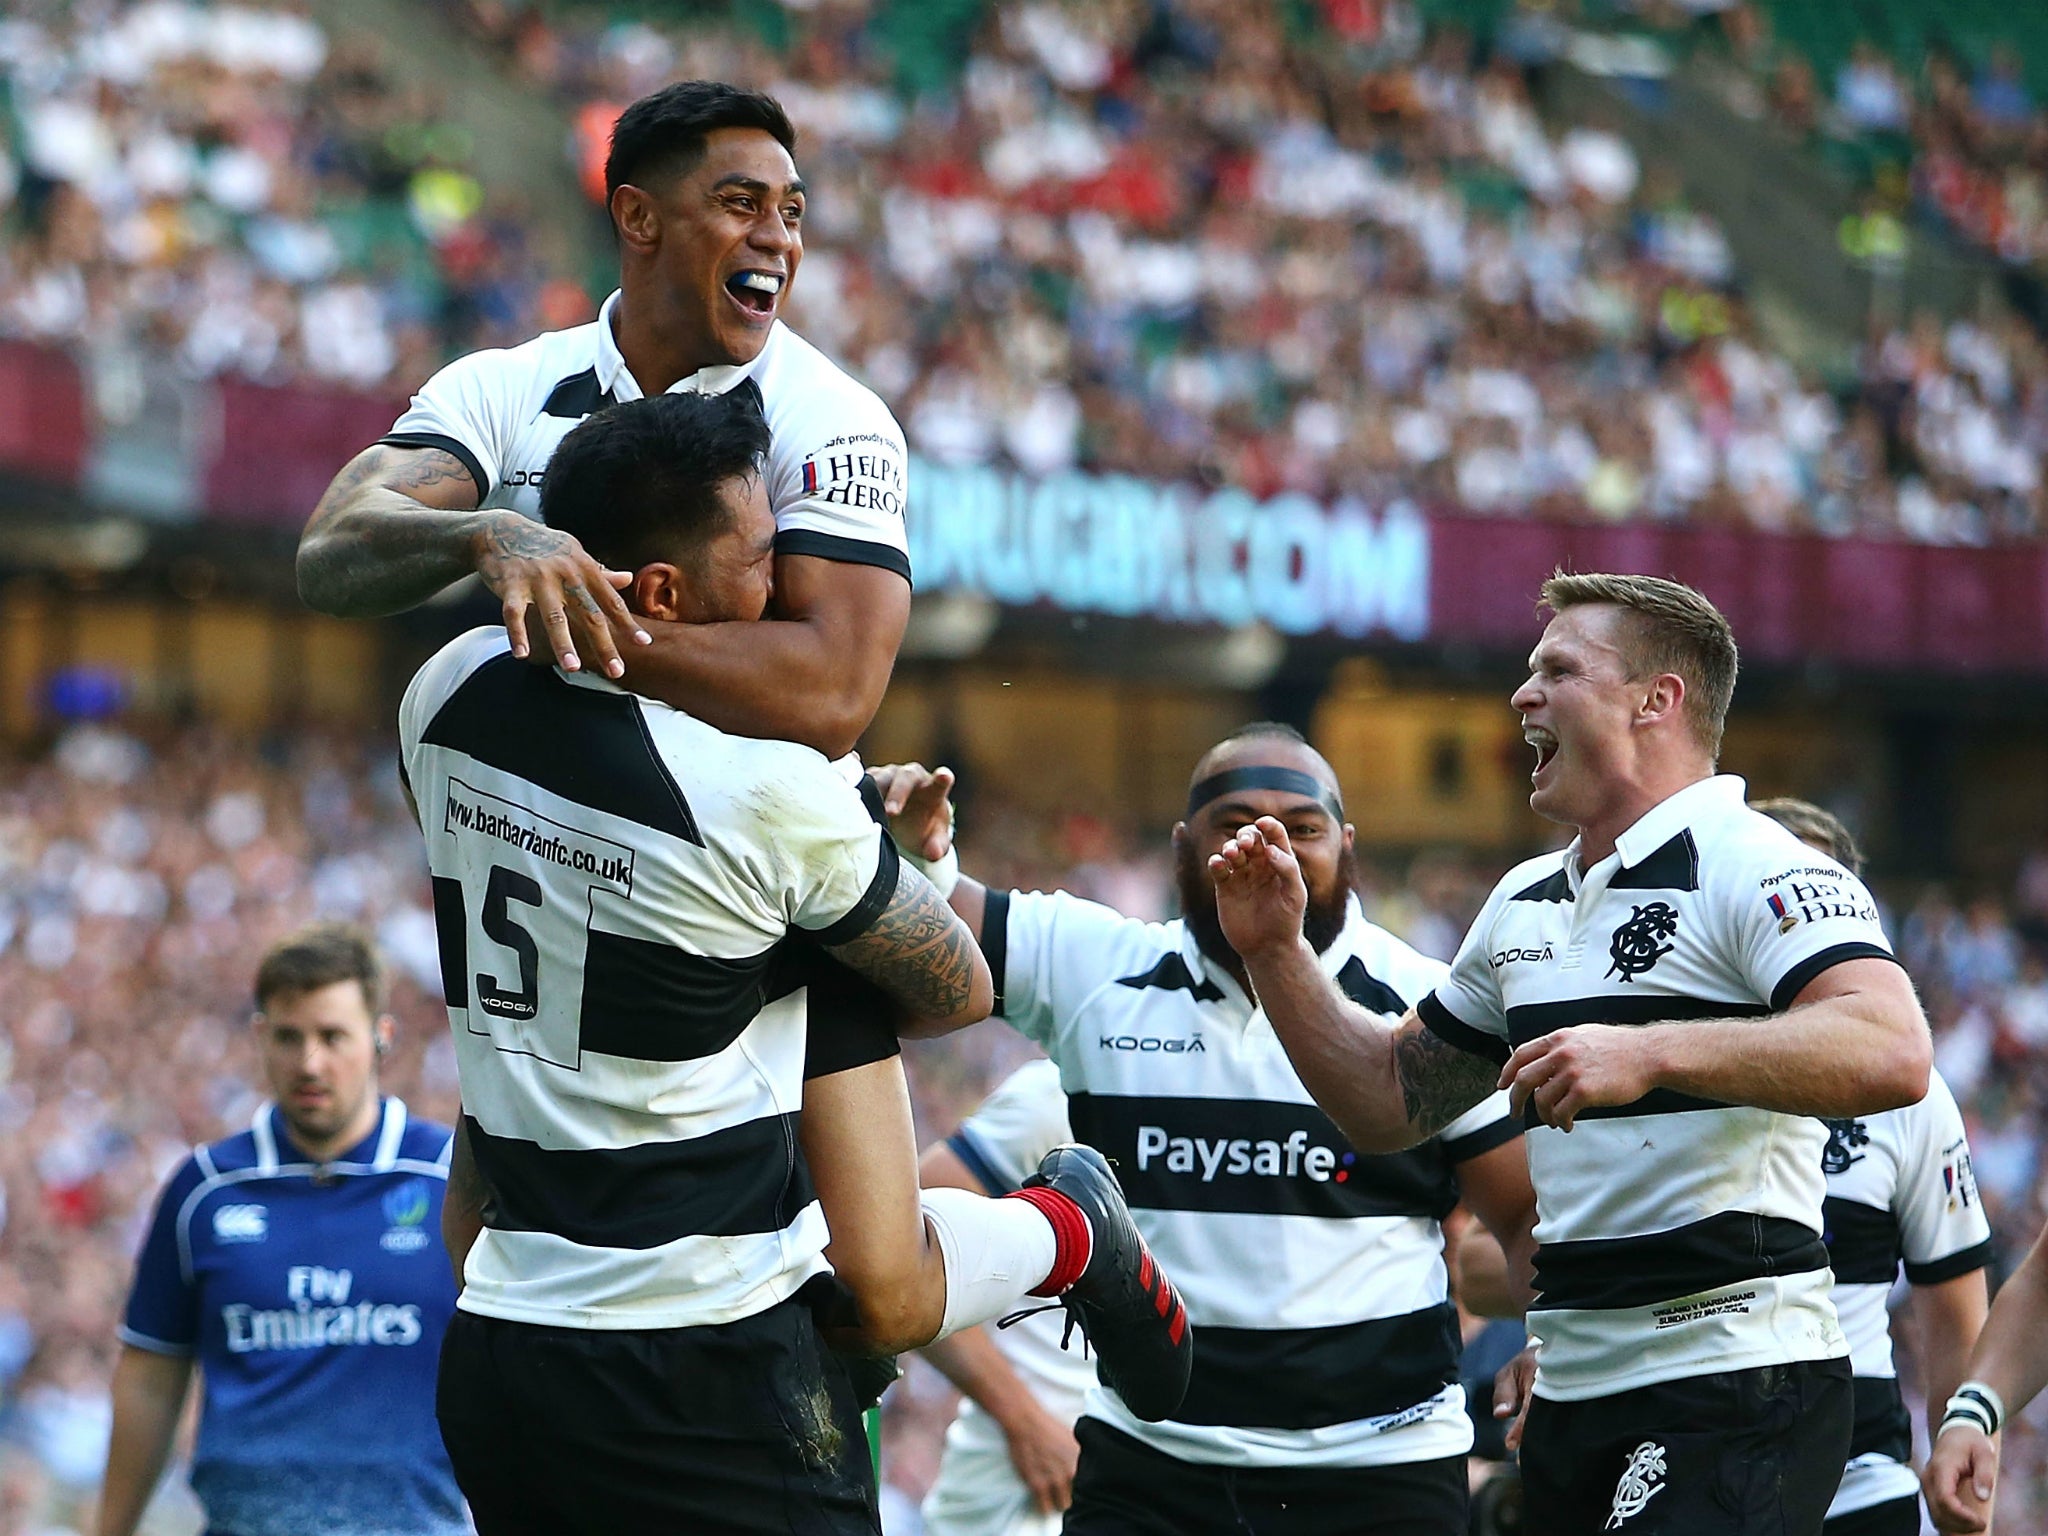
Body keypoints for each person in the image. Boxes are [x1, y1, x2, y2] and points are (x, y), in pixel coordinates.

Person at [293, 76, 1026, 1385]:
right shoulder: (509, 390)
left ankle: (1064, 1228)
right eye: (738, 203)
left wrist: (579, 617)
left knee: (873, 1289)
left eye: (794, 213)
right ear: (637, 217)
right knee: (479, 1260)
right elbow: (335, 552)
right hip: (573, 900)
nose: (778, 240)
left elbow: (833, 689)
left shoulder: (832, 419)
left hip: (771, 883)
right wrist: (481, 532)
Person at [401, 390, 1187, 1534]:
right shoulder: (765, 787)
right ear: (663, 593)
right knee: (882, 1272)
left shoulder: (443, 689)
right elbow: (959, 987)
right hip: (705, 1359)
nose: (784, 589)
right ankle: (1070, 1229)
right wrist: (864, 873)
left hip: (506, 1344)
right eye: (763, 558)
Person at [1207, 571, 1931, 1534]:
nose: (1523, 693)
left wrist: (1652, 1051)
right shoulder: (1525, 902)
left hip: (1733, 1376)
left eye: (1558, 668)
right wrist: (1275, 953)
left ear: (1655, 700)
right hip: (1573, 1393)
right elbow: (1388, 1099)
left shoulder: (1760, 861)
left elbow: (1891, 1047)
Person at [871, 725, 1538, 1535]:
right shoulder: (1101, 972)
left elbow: (1522, 1218)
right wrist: (913, 854)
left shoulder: (1431, 1002)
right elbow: (941, 921)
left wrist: (1560, 1347)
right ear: (1183, 847)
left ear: (1349, 845)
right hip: (1153, 1467)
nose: (1269, 845)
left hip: (1378, 1473)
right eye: (1234, 823)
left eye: (1303, 827)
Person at [99, 925, 464, 1536]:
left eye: (332, 1036)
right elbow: (149, 1377)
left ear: (382, 1037)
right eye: (290, 1038)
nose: (310, 1062)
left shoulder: (448, 1181)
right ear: (261, 1038)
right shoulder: (205, 1191)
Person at [1750, 799, 1991, 1536]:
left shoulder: (1910, 1091)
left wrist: (1965, 1466)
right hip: (1692, 1463)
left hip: (1859, 1474)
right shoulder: (1657, 1062)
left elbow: (1955, 1312)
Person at [918, 1058, 1096, 1536]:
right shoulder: (1060, 1096)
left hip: (1165, 1470)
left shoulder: (1278, 1091)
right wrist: (1023, 1420)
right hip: (1030, 1485)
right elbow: (907, 1263)